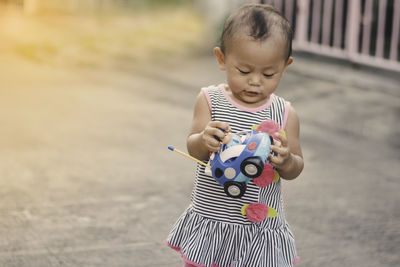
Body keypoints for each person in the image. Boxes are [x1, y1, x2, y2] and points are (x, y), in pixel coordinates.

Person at [166, 3, 304, 267]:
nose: (255, 81)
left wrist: (287, 161)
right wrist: (204, 139)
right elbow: (194, 148)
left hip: (259, 230)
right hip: (213, 222)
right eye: (244, 71)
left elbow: (296, 166)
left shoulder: (285, 113)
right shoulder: (210, 99)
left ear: (285, 66)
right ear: (221, 58)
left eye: (268, 73)